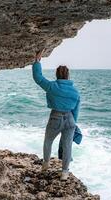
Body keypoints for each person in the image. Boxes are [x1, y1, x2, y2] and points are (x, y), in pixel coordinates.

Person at [32, 50, 80, 181]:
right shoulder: (75, 91)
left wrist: (37, 61)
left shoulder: (52, 86)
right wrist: (74, 124)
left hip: (56, 117)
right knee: (67, 146)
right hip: (70, 119)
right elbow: (76, 110)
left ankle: (46, 164)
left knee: (48, 141)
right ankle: (64, 172)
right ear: (68, 76)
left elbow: (38, 78)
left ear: (57, 75)